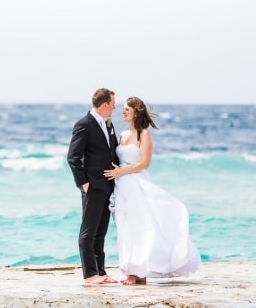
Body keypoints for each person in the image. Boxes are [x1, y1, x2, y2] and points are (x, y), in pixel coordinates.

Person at [104, 96, 200, 285]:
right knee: (124, 228)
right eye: (123, 109)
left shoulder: (144, 134)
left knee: (141, 227)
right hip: (121, 187)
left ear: (136, 112)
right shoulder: (122, 135)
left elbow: (145, 164)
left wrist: (121, 171)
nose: (123, 112)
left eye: (126, 109)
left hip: (136, 184)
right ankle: (131, 270)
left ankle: (139, 271)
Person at [67, 88, 119, 285]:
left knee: (101, 232)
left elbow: (110, 151)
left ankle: (101, 273)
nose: (115, 107)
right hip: (92, 186)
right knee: (88, 231)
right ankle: (89, 275)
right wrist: (83, 183)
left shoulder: (108, 123)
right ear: (105, 104)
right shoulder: (84, 124)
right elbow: (73, 157)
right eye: (113, 104)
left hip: (108, 184)